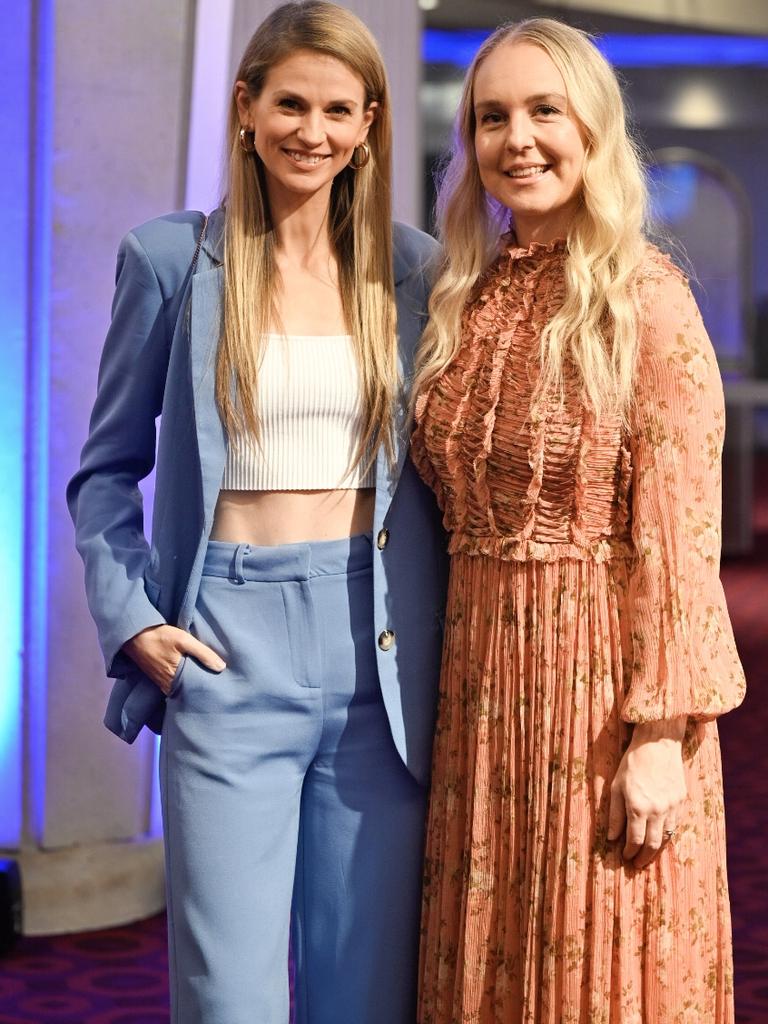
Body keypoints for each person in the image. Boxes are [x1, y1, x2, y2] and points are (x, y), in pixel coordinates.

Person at [67, 3, 447, 1022]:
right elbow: (103, 471)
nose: (311, 132)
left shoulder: (412, 270)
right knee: (229, 993)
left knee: (362, 991)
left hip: (379, 653)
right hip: (228, 649)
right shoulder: (169, 261)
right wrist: (133, 617)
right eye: (289, 104)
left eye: (337, 109)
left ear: (369, 122)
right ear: (245, 107)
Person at [411, 18, 746, 1024]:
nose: (519, 138)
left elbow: (683, 534)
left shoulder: (649, 298)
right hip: (477, 695)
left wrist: (659, 735)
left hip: (603, 697)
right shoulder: (461, 297)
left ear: (592, 128)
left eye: (544, 110)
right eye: (492, 117)